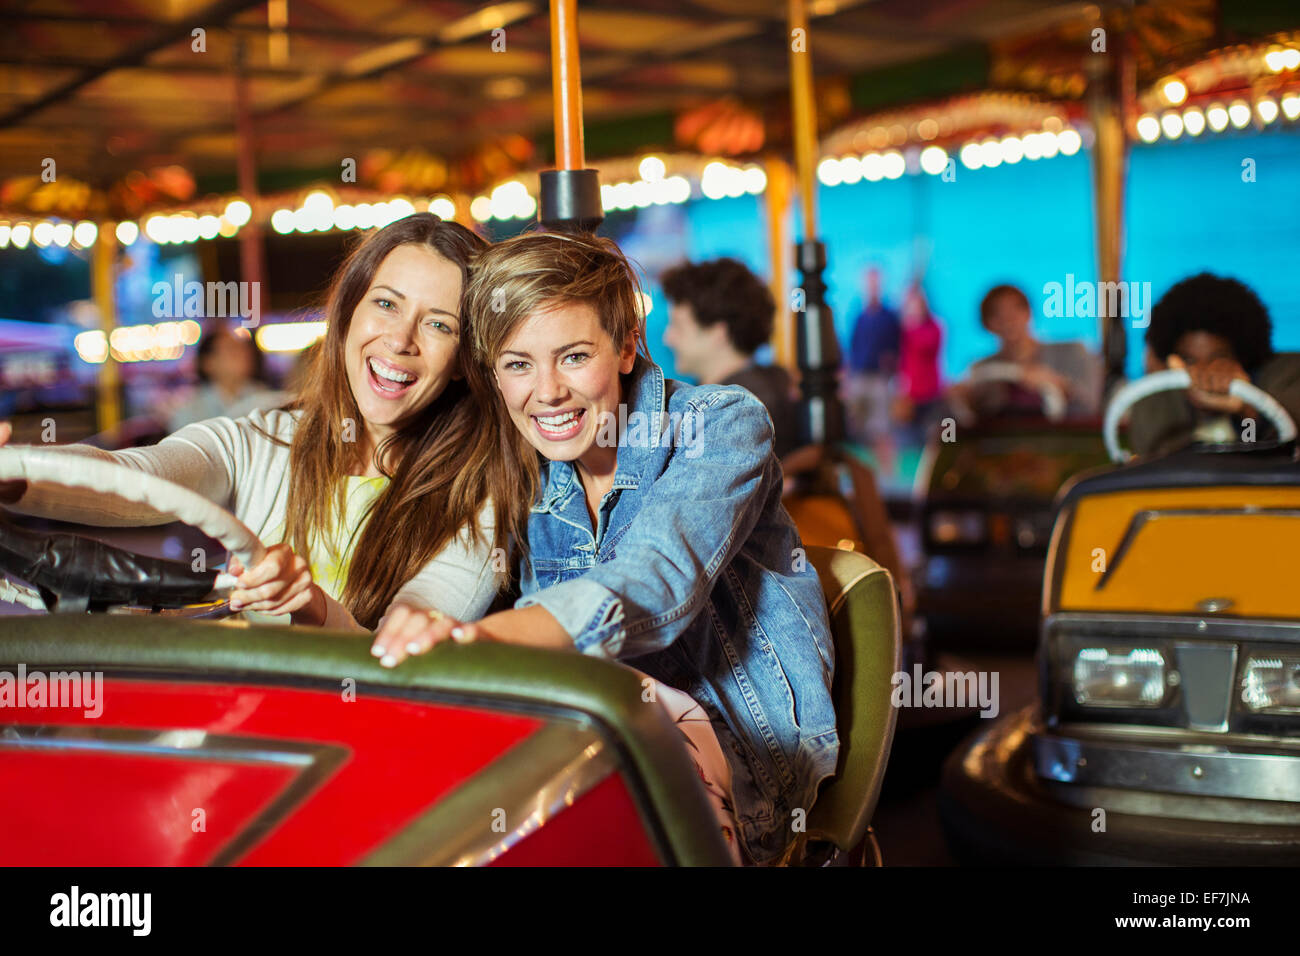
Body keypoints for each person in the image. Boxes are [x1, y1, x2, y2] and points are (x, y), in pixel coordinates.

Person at [372, 232, 839, 865]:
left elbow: (654, 580)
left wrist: (484, 643)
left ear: (624, 347)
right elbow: (462, 564)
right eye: (517, 364)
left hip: (742, 751)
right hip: (586, 733)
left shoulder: (722, 421)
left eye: (572, 356)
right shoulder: (521, 463)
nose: (548, 391)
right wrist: (418, 621)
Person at [0, 214, 516, 631]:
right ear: (347, 317)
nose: (401, 340)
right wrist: (17, 471)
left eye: (438, 324)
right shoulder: (260, 440)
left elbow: (407, 640)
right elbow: (134, 476)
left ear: (463, 362)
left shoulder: (479, 492)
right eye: (385, 304)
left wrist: (311, 605)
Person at [1129, 272, 1300, 456]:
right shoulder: (1158, 403)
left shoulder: (1287, 375)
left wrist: (1247, 411)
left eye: (1218, 359)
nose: (1204, 372)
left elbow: (1274, 448)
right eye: (1189, 360)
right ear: (1173, 360)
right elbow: (1157, 464)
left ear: (1242, 354)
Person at [660, 257, 799, 459]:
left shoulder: (734, 413)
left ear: (719, 333)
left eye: (679, 327)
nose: (668, 338)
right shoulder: (772, 389)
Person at [954, 284, 1102, 421]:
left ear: (1028, 313)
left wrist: (1060, 386)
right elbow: (973, 419)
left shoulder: (1072, 352)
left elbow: (1092, 406)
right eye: (997, 314)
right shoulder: (982, 372)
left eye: (1015, 310)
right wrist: (962, 400)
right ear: (986, 324)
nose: (1007, 320)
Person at [167, 325, 289, 431]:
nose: (243, 355)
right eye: (231, 350)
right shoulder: (189, 413)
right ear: (207, 363)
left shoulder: (269, 400)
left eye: (244, 349)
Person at [844, 266, 900, 473]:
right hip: (858, 378)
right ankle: (865, 473)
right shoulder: (860, 316)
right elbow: (853, 347)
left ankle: (888, 472)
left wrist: (891, 373)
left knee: (881, 428)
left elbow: (897, 348)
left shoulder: (889, 316)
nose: (872, 287)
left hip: (879, 379)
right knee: (857, 428)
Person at [893, 284, 944, 447]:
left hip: (931, 392)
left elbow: (927, 346)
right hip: (910, 395)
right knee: (908, 439)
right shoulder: (903, 330)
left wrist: (911, 327)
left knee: (933, 436)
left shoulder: (934, 327)